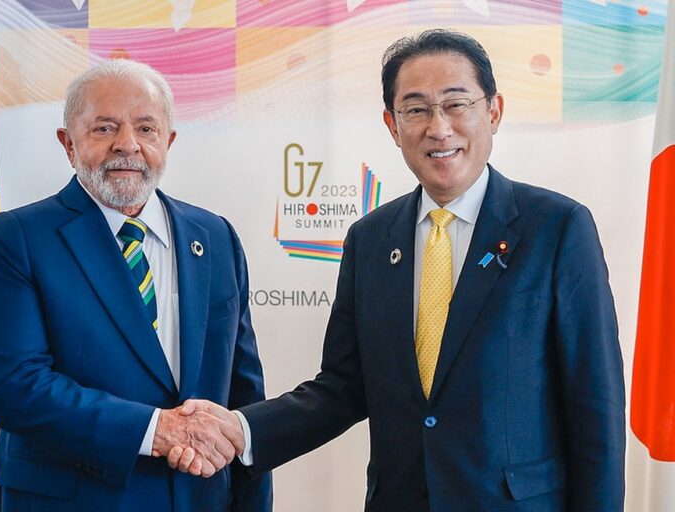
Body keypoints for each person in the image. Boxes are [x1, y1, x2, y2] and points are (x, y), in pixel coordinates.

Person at [170, 29, 626, 511]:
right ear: (392, 125)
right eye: (416, 109)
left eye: (456, 104)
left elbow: (595, 406)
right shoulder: (370, 239)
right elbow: (342, 388)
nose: (439, 128)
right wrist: (241, 430)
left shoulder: (557, 227)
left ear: (493, 111)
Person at [0, 59, 271, 511]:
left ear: (168, 141)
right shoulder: (18, 238)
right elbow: (13, 388)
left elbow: (242, 397)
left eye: (146, 129)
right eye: (105, 128)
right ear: (69, 144)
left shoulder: (215, 237)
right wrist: (157, 429)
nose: (127, 144)